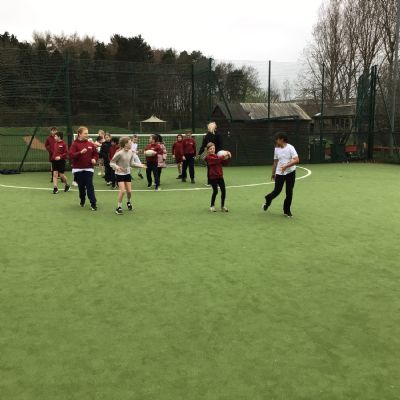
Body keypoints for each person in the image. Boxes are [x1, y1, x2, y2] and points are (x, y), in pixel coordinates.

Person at [263, 132, 299, 218]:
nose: (276, 141)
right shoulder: (276, 149)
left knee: (289, 192)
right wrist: (273, 173)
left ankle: (287, 210)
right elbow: (275, 162)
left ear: (282, 139)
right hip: (280, 173)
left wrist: (286, 166)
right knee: (277, 191)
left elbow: (297, 160)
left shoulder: (290, 148)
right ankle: (268, 198)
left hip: (291, 173)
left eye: (277, 139)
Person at [110, 137, 146, 215]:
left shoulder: (131, 152)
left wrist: (140, 165)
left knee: (129, 191)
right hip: (119, 174)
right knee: (122, 191)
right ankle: (119, 207)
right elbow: (111, 162)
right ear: (125, 144)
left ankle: (128, 202)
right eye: (130, 143)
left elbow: (132, 164)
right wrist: (117, 167)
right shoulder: (119, 153)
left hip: (127, 173)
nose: (131, 144)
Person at [69, 126, 99, 211]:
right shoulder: (75, 144)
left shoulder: (90, 144)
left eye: (87, 133)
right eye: (85, 133)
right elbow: (71, 155)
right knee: (81, 187)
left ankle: (93, 203)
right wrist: (80, 152)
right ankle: (82, 199)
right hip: (78, 169)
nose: (87, 135)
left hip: (89, 168)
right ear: (79, 134)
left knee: (89, 185)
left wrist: (94, 159)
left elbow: (96, 154)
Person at [205, 142, 231, 212]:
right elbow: (216, 160)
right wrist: (224, 155)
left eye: (213, 148)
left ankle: (222, 206)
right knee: (215, 191)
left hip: (220, 176)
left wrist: (227, 157)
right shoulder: (208, 157)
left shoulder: (217, 156)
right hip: (213, 177)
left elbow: (225, 163)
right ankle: (212, 206)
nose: (212, 150)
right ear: (208, 150)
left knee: (223, 191)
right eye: (210, 149)